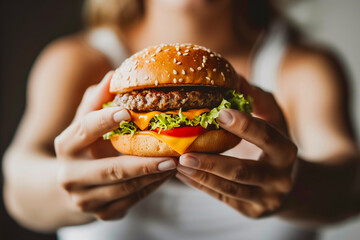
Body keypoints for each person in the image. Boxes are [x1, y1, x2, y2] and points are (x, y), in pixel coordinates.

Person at [3, 0, 360, 239]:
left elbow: (351, 185)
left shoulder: (304, 66)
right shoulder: (74, 59)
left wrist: (296, 188)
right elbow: (18, 179)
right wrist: (63, 189)